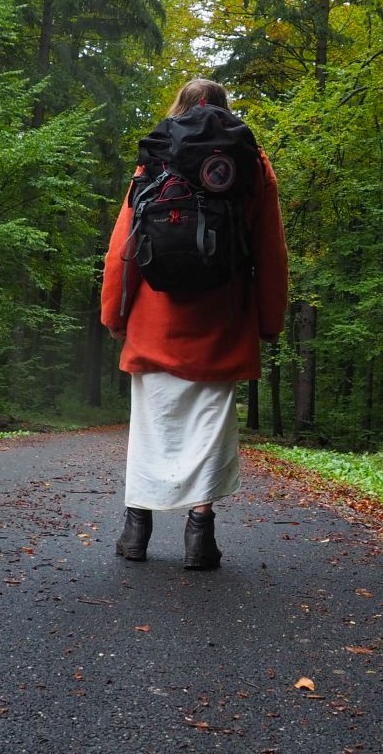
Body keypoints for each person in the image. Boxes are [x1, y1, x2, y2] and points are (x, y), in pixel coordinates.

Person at [99, 78, 289, 569]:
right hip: (223, 321)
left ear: (179, 107)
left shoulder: (155, 156)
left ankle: (136, 531)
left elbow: (124, 249)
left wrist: (115, 315)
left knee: (151, 428)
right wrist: (269, 321)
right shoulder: (250, 162)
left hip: (153, 320)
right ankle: (199, 536)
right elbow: (271, 252)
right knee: (208, 429)